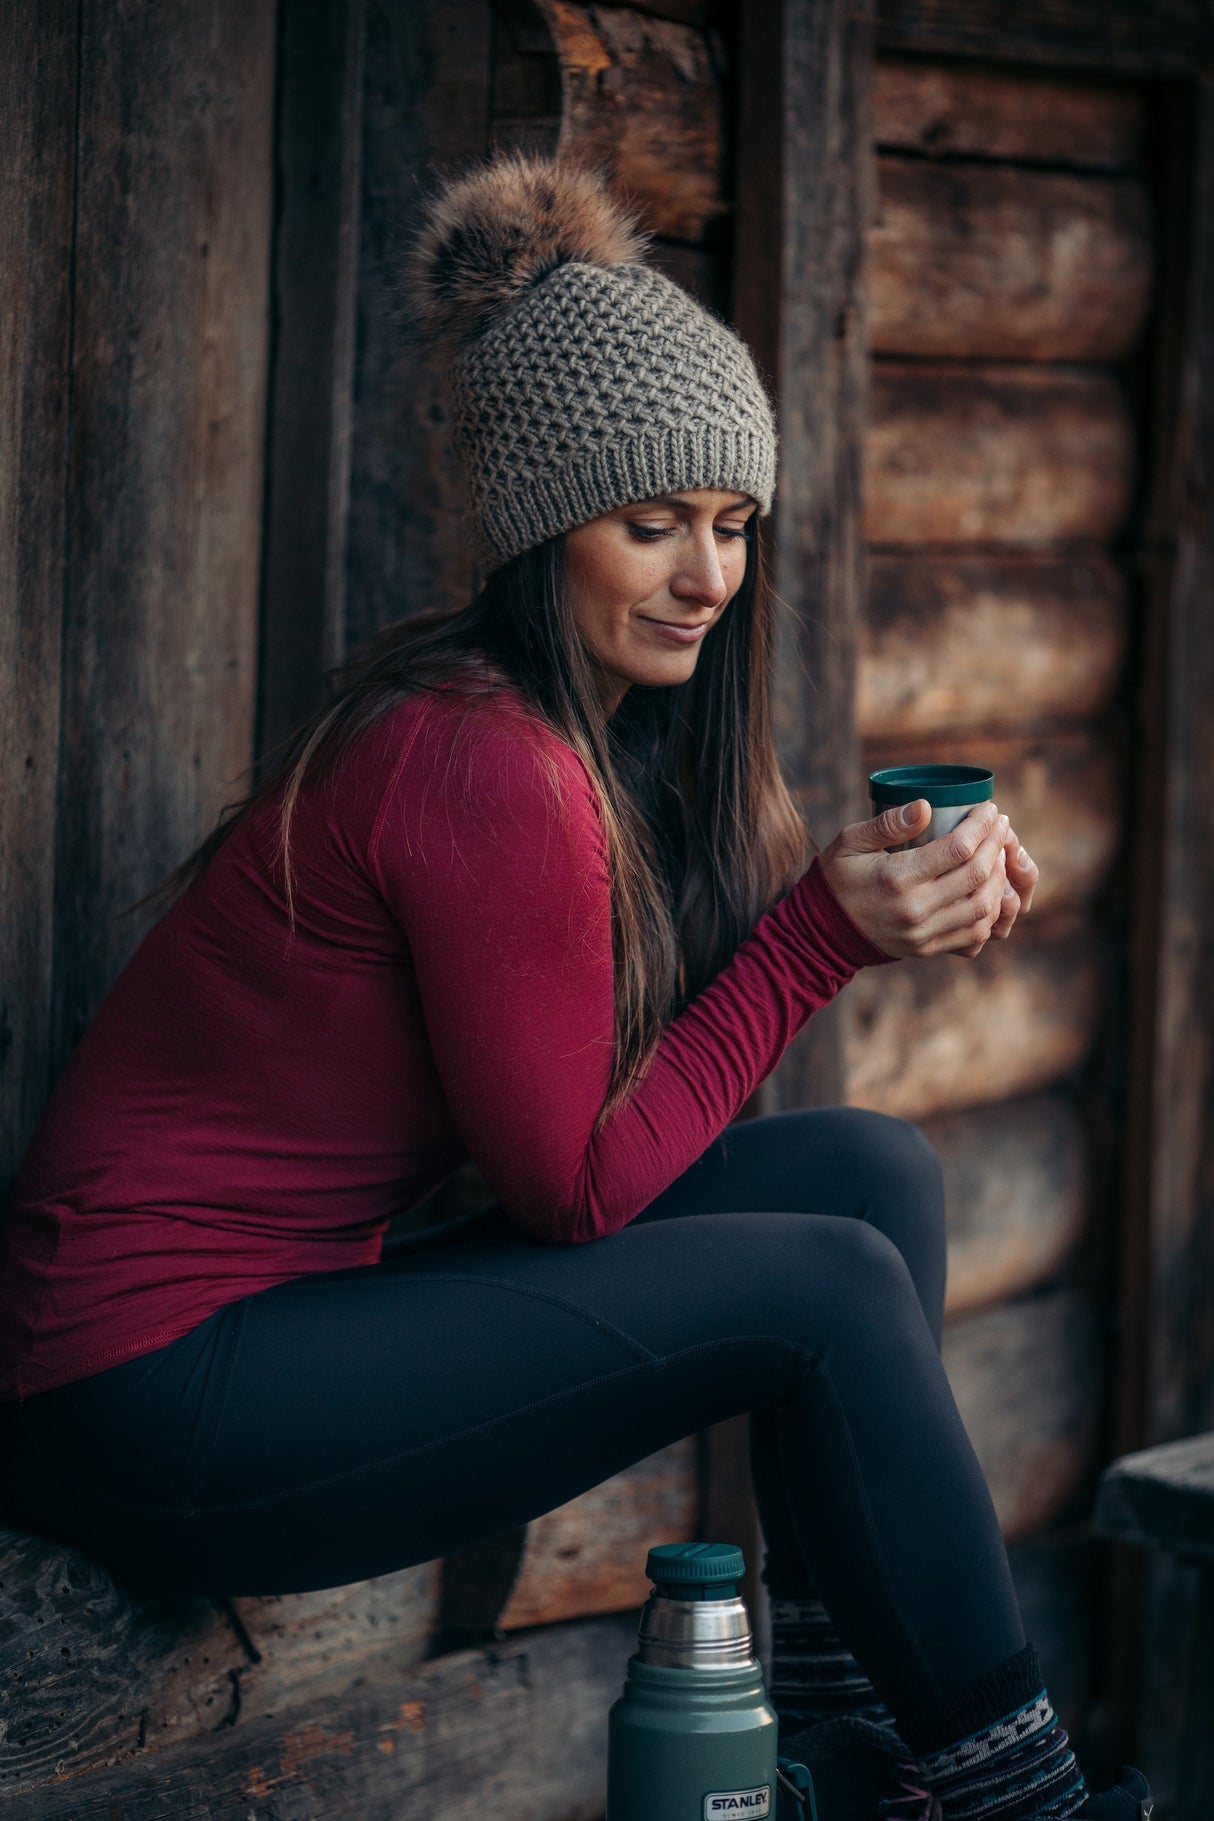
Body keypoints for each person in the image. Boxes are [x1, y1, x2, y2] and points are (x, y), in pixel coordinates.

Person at [0, 151, 1149, 1820]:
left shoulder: (556, 742)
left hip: (258, 1329)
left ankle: (859, 1740)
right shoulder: (486, 762)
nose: (705, 574)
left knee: (867, 1168)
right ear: (549, 524)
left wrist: (873, 894)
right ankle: (1013, 1795)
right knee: (823, 1287)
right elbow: (576, 1184)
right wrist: (819, 940)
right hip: (151, 1393)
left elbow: (611, 1114)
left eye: (731, 521)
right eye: (652, 523)